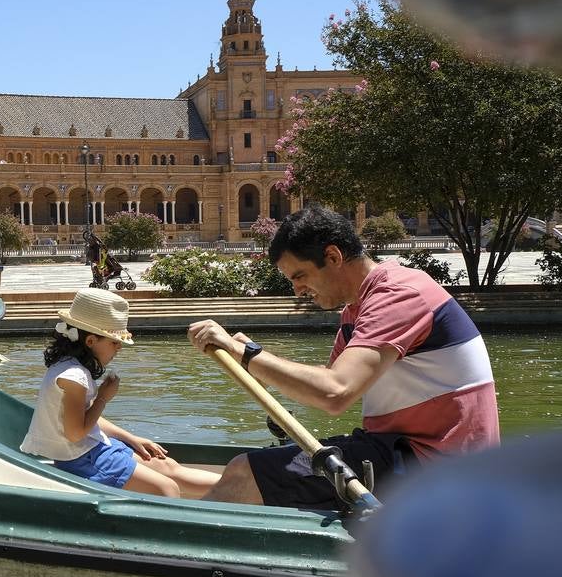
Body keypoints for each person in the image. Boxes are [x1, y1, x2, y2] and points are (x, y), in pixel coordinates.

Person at [187, 206, 499, 508]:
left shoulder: (398, 295)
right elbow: (324, 386)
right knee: (241, 469)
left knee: (244, 473)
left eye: (300, 275)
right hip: (401, 452)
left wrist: (248, 354)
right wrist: (249, 358)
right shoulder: (358, 309)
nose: (297, 290)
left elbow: (334, 392)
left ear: (333, 257)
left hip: (434, 468)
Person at [20, 288, 220, 498]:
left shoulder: (69, 366)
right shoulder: (74, 377)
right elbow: (75, 433)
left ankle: (248, 491)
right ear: (90, 341)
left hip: (91, 448)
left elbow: (83, 420)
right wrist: (103, 398)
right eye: (114, 342)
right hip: (81, 459)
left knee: (166, 467)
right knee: (167, 488)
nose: (119, 348)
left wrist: (131, 438)